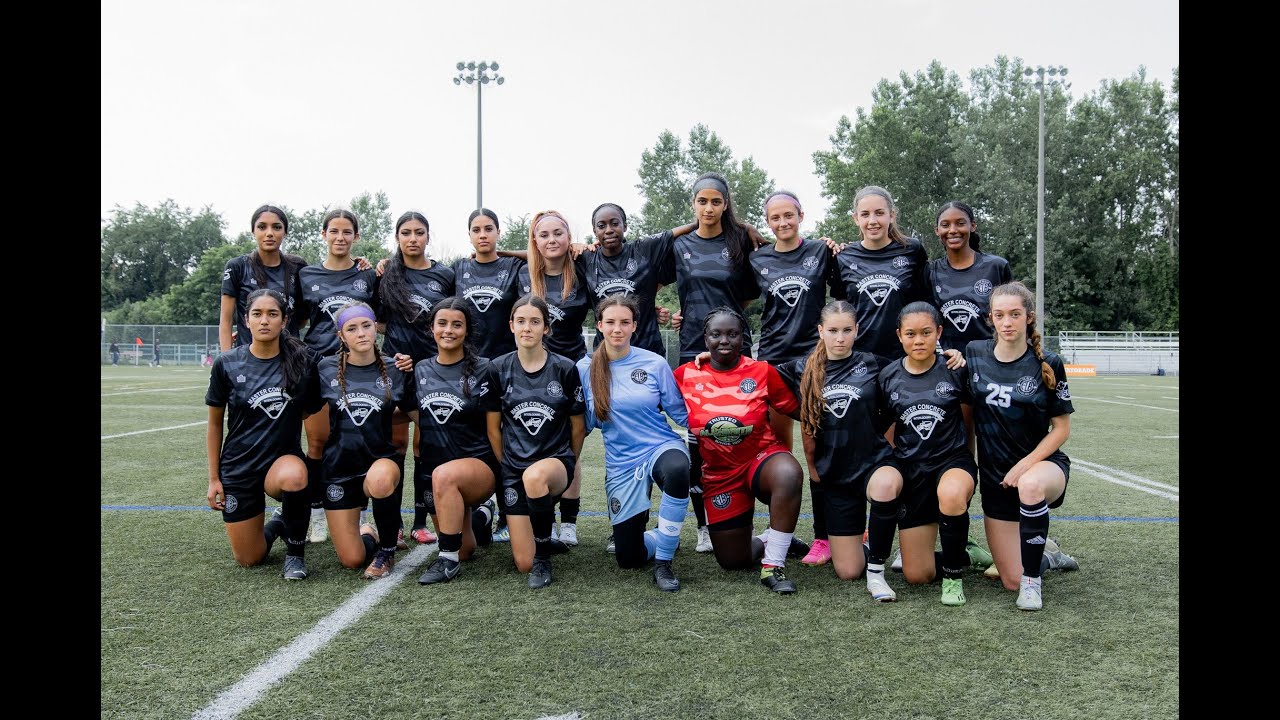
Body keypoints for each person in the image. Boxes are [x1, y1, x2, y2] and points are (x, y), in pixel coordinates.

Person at [673, 306, 809, 594]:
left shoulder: (761, 371)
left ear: (744, 338)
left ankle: (773, 566)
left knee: (788, 473)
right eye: (717, 334)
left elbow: (797, 410)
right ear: (705, 339)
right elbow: (653, 400)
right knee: (733, 561)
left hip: (760, 460)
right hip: (720, 474)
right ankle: (772, 538)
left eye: (732, 334)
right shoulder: (686, 375)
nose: (725, 341)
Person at [964, 281, 1079, 610]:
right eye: (999, 315)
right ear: (991, 318)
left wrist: (1026, 464)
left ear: (1029, 317)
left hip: (1042, 469)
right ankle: (1049, 555)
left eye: (1015, 314)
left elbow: (1061, 429)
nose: (1007, 322)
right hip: (995, 478)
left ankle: (1033, 585)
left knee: (1029, 485)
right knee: (1008, 578)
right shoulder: (974, 354)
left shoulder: (1049, 362)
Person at [776, 300, 899, 600]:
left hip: (874, 464)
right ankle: (867, 546)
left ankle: (878, 572)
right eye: (832, 330)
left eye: (847, 330)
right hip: (836, 475)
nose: (840, 338)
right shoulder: (802, 368)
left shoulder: (874, 363)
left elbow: (914, 369)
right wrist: (708, 358)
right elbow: (755, 375)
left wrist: (951, 356)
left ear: (857, 330)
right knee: (847, 571)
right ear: (820, 331)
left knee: (885, 486)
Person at [668, 173, 762, 554]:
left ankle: (740, 519)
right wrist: (674, 312)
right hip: (692, 346)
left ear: (726, 204)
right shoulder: (678, 245)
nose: (709, 208)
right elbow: (646, 279)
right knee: (698, 440)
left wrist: (726, 317)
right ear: (693, 204)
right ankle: (704, 526)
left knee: (738, 434)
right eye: (702, 201)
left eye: (716, 202)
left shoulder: (742, 241)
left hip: (735, 348)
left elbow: (758, 288)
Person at [747, 190, 841, 567]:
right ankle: (779, 529)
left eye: (789, 215)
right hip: (771, 359)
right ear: (767, 221)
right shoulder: (757, 258)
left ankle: (824, 535)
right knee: (776, 450)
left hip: (811, 360)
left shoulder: (821, 251)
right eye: (775, 217)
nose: (783, 222)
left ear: (801, 215)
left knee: (815, 448)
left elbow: (846, 286)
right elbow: (735, 297)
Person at [576, 295, 690, 591]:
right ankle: (661, 536)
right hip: (622, 464)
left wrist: (718, 429)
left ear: (634, 326)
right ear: (599, 325)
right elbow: (583, 423)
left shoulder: (654, 363)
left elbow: (681, 413)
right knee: (629, 557)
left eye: (624, 322)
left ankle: (664, 563)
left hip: (660, 447)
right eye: (611, 322)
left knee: (678, 468)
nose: (617, 329)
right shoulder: (584, 369)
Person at [204, 288, 313, 580]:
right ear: (246, 319)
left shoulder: (302, 363)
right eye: (257, 314)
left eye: (272, 314)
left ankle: (295, 554)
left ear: (284, 320)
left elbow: (310, 410)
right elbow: (215, 424)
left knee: (295, 476)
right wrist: (215, 479)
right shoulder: (226, 364)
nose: (264, 320)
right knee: (249, 559)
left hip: (280, 464)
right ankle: (279, 524)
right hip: (239, 466)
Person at [876, 301, 978, 605]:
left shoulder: (954, 369)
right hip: (913, 472)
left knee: (951, 493)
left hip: (952, 462)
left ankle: (953, 577)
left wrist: (967, 460)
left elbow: (969, 417)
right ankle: (964, 552)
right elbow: (887, 425)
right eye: (910, 334)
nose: (918, 340)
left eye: (926, 332)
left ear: (939, 333)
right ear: (899, 335)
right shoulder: (888, 376)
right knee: (917, 575)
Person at [302, 301, 413, 579]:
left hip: (380, 461)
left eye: (366, 325)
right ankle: (371, 535)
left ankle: (386, 551)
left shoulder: (396, 367)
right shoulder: (326, 368)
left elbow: (412, 413)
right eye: (352, 328)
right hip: (338, 468)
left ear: (376, 327)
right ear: (341, 336)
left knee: (380, 479)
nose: (361, 333)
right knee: (352, 559)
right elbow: (305, 408)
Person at [482, 294, 586, 589]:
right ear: (511, 326)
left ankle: (544, 558)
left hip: (554, 462)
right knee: (521, 562)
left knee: (536, 476)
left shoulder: (565, 368)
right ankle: (540, 542)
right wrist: (508, 466)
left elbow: (577, 428)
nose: (528, 327)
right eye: (521, 321)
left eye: (535, 322)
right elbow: (493, 429)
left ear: (546, 329)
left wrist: (566, 463)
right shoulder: (497, 369)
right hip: (514, 468)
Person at [297, 209, 382, 546]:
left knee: (358, 440)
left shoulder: (367, 275)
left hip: (360, 367)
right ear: (324, 234)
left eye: (347, 232)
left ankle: (363, 513)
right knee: (318, 442)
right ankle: (317, 514)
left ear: (356, 237)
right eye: (334, 231)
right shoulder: (306, 275)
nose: (340, 237)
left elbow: (379, 319)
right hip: (319, 366)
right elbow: (298, 321)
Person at [381, 211, 457, 547]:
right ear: (397, 237)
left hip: (431, 369)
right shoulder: (386, 274)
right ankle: (393, 523)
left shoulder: (444, 274)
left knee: (426, 443)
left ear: (428, 236)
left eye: (419, 232)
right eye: (406, 232)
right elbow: (376, 320)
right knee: (395, 444)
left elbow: (452, 317)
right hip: (395, 369)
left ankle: (420, 520)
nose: (413, 238)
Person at [414, 298, 502, 585]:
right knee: (465, 549)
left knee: (446, 476)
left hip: (477, 465)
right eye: (442, 323)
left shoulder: (485, 369)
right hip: (434, 470)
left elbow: (494, 428)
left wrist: (505, 474)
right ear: (431, 328)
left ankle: (446, 562)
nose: (448, 330)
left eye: (456, 324)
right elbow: (412, 417)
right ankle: (482, 519)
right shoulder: (419, 369)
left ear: (467, 330)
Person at [518, 210, 592, 546]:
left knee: (570, 447)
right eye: (543, 234)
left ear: (569, 236)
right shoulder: (521, 273)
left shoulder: (583, 269)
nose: (552, 240)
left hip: (571, 369)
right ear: (535, 240)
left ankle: (569, 523)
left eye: (558, 233)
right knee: (529, 444)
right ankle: (525, 514)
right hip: (528, 369)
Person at [454, 208, 526, 543]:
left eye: (488, 229)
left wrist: (510, 251)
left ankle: (507, 511)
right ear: (468, 235)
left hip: (505, 366)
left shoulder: (513, 267)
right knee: (475, 434)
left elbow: (539, 254)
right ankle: (479, 506)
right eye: (476, 230)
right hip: (469, 365)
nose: (482, 235)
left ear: (498, 232)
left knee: (505, 436)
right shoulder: (459, 268)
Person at [580, 203, 693, 356]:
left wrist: (708, 218)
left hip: (648, 351)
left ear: (625, 226)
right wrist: (575, 246)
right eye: (601, 226)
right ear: (595, 231)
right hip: (607, 354)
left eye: (615, 223)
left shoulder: (643, 250)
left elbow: (677, 232)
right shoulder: (587, 258)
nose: (609, 230)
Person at [831, 186, 929, 360]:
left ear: (891, 215)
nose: (872, 221)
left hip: (905, 356)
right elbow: (841, 309)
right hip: (859, 356)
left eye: (879, 213)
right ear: (856, 219)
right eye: (865, 214)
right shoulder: (843, 257)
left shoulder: (912, 250)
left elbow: (926, 302)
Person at [927, 201, 1013, 352]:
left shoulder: (996, 267)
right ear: (937, 230)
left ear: (972, 226)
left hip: (990, 362)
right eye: (945, 225)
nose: (953, 230)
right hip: (949, 364)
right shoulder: (930, 271)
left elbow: (1014, 314)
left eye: (960, 223)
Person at [219, 205, 308, 352]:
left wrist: (356, 263)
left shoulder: (297, 267)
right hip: (248, 360)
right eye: (262, 227)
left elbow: (301, 319)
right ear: (253, 231)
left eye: (277, 227)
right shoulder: (238, 267)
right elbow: (226, 321)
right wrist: (226, 362)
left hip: (291, 359)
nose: (269, 233)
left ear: (285, 232)